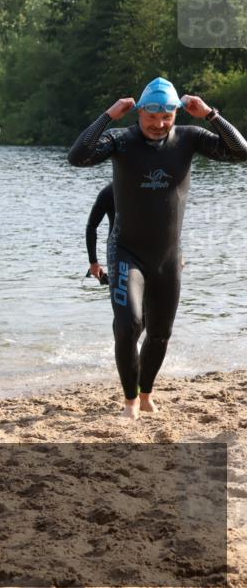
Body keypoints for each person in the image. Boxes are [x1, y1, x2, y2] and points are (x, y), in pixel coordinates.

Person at [68, 77, 247, 418]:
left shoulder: (189, 139)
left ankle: (146, 392)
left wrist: (210, 114)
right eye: (152, 117)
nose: (159, 124)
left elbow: (241, 152)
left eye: (166, 117)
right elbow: (77, 157)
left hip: (167, 257)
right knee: (129, 325)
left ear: (176, 114)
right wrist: (108, 115)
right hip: (126, 251)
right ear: (139, 113)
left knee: (160, 333)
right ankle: (130, 401)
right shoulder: (121, 141)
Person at [86, 183, 114, 285]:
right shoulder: (109, 192)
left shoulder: (150, 188)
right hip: (118, 252)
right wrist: (93, 262)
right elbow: (91, 226)